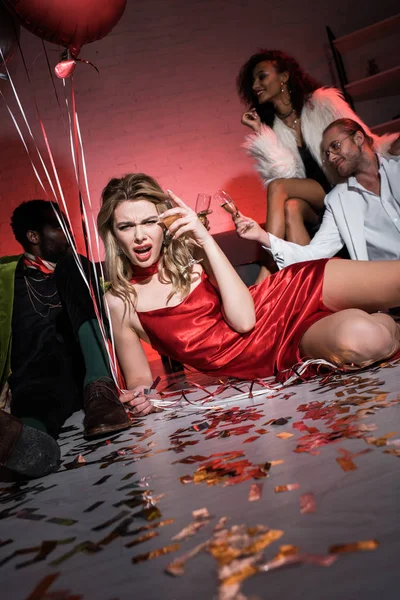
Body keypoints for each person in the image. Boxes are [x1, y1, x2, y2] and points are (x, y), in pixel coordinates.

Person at [97, 173, 400, 417]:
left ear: (163, 222)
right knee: (369, 340)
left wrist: (204, 239)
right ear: (113, 234)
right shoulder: (121, 302)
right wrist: (141, 397)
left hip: (288, 293)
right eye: (126, 226)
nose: (139, 236)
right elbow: (140, 382)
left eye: (149, 221)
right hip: (279, 349)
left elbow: (244, 316)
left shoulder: (193, 253)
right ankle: (389, 322)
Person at [0, 200, 131, 479]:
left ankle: (101, 388)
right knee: (35, 415)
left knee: (73, 262)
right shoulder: (7, 281)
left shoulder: (77, 269)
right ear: (33, 237)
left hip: (82, 372)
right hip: (32, 381)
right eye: (59, 227)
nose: (69, 234)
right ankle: (21, 443)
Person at [236, 50, 395, 261]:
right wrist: (260, 131)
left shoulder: (322, 103)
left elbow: (361, 137)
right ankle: (312, 280)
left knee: (279, 188)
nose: (255, 85)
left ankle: (268, 269)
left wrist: (392, 147)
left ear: (284, 77)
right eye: (253, 81)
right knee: (291, 206)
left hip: (340, 186)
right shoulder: (271, 125)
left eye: (262, 76)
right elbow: (285, 173)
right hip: (314, 200)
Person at [234, 119, 400, 266]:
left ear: (358, 138)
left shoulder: (396, 170)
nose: (332, 157)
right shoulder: (338, 202)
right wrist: (261, 236)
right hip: (387, 288)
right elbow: (312, 254)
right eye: (327, 154)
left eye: (335, 146)